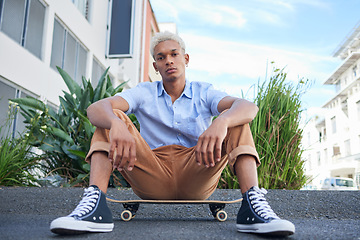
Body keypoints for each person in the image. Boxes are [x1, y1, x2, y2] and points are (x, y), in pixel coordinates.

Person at [50, 31, 295, 236]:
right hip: (150, 173)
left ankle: (253, 207)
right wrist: (115, 124)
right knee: (111, 116)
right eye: (161, 57)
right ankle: (95, 208)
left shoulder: (204, 91)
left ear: (186, 59)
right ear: (156, 66)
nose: (168, 60)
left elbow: (249, 107)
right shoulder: (144, 92)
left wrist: (222, 121)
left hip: (197, 170)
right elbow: (95, 109)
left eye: (174, 54)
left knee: (235, 119)